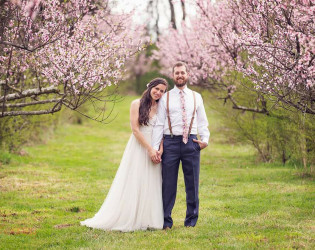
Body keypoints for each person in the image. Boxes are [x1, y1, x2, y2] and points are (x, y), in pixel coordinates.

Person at [81, 78, 168, 232]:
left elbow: (162, 130)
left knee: (152, 181)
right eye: (157, 89)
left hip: (155, 148)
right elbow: (135, 130)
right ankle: (129, 216)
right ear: (150, 87)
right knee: (136, 179)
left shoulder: (162, 107)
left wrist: (159, 149)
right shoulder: (136, 104)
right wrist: (149, 149)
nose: (158, 93)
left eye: (162, 91)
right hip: (140, 146)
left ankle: (148, 219)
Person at [151, 62, 210, 229]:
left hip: (191, 142)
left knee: (192, 184)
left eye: (182, 72)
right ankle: (166, 221)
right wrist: (156, 148)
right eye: (177, 73)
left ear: (188, 74)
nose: (180, 75)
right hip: (170, 142)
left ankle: (191, 221)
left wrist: (205, 140)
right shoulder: (166, 97)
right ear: (173, 75)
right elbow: (159, 124)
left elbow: (202, 121)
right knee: (168, 184)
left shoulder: (196, 97)